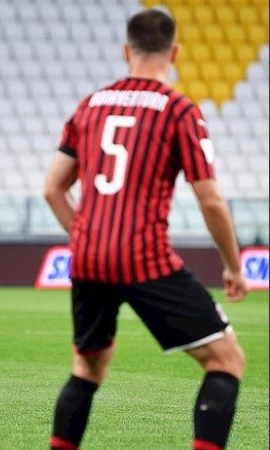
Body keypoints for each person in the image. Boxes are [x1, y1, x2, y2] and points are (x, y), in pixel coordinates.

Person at [43, 9, 247, 450]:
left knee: (88, 367)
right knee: (227, 360)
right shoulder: (178, 110)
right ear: (174, 53)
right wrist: (233, 266)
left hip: (88, 257)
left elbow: (53, 188)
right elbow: (210, 198)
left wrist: (84, 236)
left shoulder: (91, 105)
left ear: (125, 51)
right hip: (143, 257)